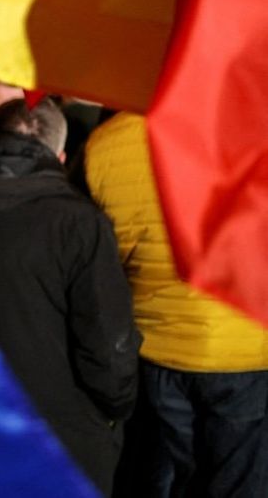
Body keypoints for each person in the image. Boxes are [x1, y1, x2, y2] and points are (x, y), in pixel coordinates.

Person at [0, 99, 140, 495]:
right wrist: (116, 407)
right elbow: (107, 346)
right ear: (59, 157)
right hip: (64, 438)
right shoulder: (79, 223)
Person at [86, 112, 268, 497]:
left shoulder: (107, 142)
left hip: (158, 345)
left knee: (183, 474)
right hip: (246, 345)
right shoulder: (255, 127)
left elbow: (108, 253)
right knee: (240, 481)